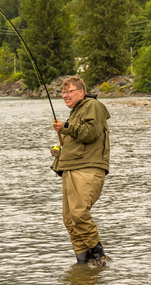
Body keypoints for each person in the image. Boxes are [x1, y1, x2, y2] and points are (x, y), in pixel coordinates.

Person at [50, 76, 110, 267]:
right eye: (63, 92)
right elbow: (78, 137)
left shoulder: (92, 105)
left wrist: (65, 127)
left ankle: (99, 255)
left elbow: (90, 133)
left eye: (69, 91)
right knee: (69, 219)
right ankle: (83, 263)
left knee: (78, 214)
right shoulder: (77, 111)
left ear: (81, 92)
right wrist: (59, 150)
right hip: (71, 168)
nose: (65, 95)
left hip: (87, 169)